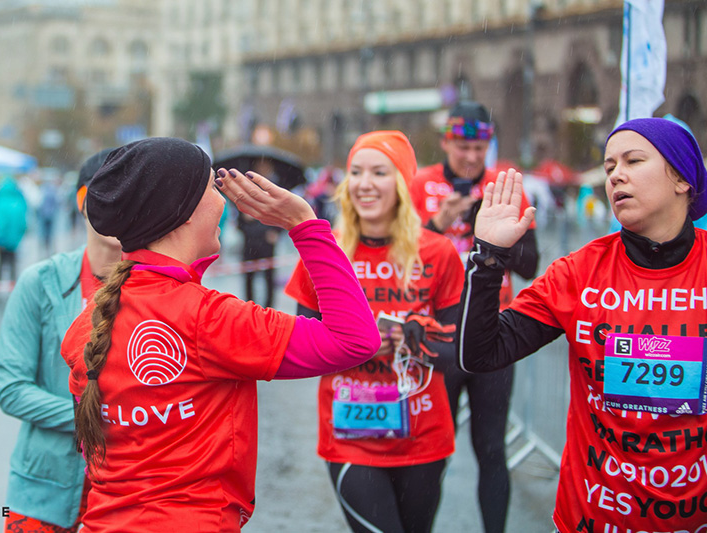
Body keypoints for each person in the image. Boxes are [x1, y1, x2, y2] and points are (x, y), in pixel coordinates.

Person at [59, 137, 380, 532]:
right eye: (213, 186)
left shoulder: (89, 319)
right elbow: (356, 340)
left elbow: (93, 458)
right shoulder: (209, 319)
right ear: (185, 212)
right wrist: (305, 225)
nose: (224, 200)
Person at [458, 117, 707, 532]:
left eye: (633, 160)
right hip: (593, 519)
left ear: (682, 179)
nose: (616, 175)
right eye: (609, 167)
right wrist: (487, 258)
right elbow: (481, 354)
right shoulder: (580, 272)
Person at [285, 131, 464, 533]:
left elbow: (460, 354)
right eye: (356, 172)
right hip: (351, 434)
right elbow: (302, 346)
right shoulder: (325, 250)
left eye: (379, 172)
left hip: (423, 435)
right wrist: (355, 344)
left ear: (401, 182)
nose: (365, 183)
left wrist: (417, 340)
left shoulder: (437, 252)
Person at [409, 101, 539, 533]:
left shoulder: (506, 187)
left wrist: (494, 230)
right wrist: (436, 224)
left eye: (479, 147)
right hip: (438, 335)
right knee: (431, 452)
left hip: (490, 334)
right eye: (462, 146)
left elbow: (530, 265)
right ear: (446, 141)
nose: (470, 156)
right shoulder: (419, 184)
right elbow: (396, 259)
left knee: (491, 451)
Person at [0, 148, 120, 533]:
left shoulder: (159, 288)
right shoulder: (40, 282)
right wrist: (95, 421)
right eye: (110, 194)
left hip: (128, 494)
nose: (123, 208)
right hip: (44, 491)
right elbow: (12, 388)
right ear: (83, 202)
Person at [236, 158, 281, 308]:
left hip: (267, 242)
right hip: (250, 242)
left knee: (269, 277)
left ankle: (269, 307)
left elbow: (281, 216)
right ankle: (250, 306)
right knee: (249, 277)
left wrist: (276, 232)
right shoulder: (246, 191)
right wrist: (246, 219)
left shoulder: (275, 191)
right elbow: (239, 224)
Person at [0, 175, 28, 282]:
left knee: (0, 263)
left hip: (1, 238)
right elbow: (23, 223)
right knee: (13, 264)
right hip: (15, 239)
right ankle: (13, 284)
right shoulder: (19, 201)